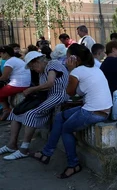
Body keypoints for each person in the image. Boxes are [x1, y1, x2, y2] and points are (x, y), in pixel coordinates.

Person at [32, 44, 112, 179]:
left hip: (93, 112)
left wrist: (70, 70)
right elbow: (80, 91)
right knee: (60, 117)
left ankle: (73, 165)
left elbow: (70, 93)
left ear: (75, 58)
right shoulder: (93, 69)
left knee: (66, 129)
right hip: (101, 109)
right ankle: (46, 153)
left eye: (68, 56)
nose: (65, 59)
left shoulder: (76, 71)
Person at [0, 51, 68, 160]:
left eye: (33, 67)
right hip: (46, 96)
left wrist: (32, 89)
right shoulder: (41, 71)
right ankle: (11, 144)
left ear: (37, 62)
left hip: (58, 95)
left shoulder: (53, 65)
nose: (33, 70)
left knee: (31, 114)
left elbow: (50, 83)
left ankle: (24, 149)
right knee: (16, 111)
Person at [0, 46, 31, 120]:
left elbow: (4, 77)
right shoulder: (16, 60)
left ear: (6, 53)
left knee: (0, 93)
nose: (0, 55)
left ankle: (6, 110)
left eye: (0, 53)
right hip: (24, 83)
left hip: (18, 84)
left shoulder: (9, 61)